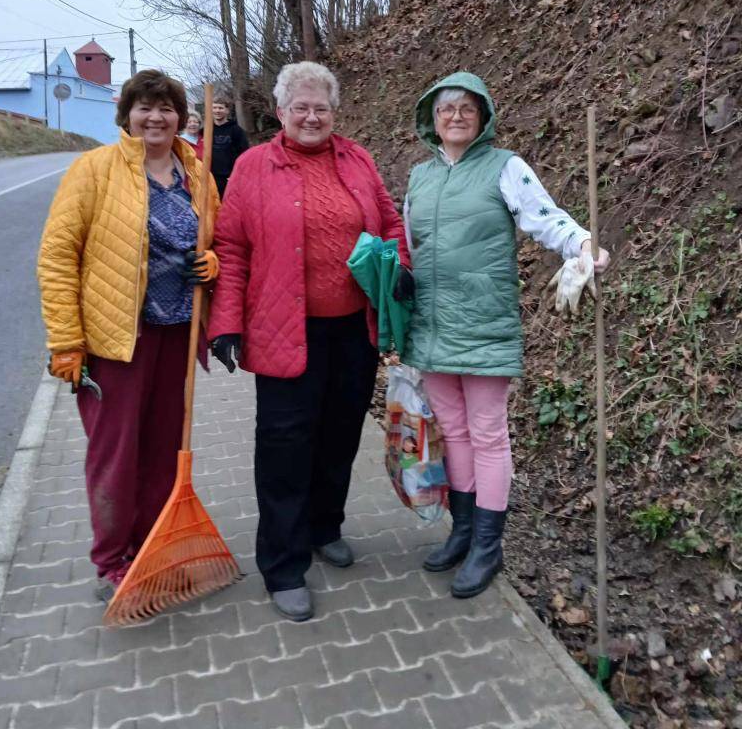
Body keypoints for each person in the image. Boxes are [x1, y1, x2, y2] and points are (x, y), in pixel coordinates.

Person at [209, 61, 411, 622]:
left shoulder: (358, 158)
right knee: (284, 446)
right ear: (280, 112)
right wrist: (225, 321)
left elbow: (391, 224)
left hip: (353, 328)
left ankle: (326, 526)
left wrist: (401, 268)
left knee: (341, 433)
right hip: (282, 329)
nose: (312, 115)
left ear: (334, 111)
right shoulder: (253, 167)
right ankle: (283, 563)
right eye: (301, 106)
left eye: (321, 106)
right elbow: (231, 248)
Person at [402, 72, 610, 599]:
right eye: (446, 108)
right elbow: (410, 243)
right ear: (432, 116)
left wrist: (582, 245)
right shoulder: (420, 177)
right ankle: (464, 533)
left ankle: (488, 548)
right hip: (430, 325)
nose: (456, 116)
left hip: (484, 323)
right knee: (455, 433)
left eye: (467, 108)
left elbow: (546, 219)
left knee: (488, 434)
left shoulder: (505, 167)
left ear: (483, 116)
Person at [37, 69, 220, 601]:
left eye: (166, 108)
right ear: (127, 115)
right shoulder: (94, 170)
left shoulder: (197, 172)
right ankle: (112, 557)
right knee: (116, 453)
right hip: (116, 340)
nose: (155, 117)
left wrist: (213, 262)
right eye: (144, 107)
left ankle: (152, 544)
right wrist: (66, 341)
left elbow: (221, 237)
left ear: (180, 118)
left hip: (178, 335)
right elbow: (56, 257)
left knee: (165, 448)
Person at [203, 92, 249, 199]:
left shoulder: (236, 130)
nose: (217, 111)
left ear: (227, 110)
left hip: (229, 178)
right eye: (214, 108)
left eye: (220, 108)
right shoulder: (206, 130)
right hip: (210, 177)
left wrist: (236, 174)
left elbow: (244, 155)